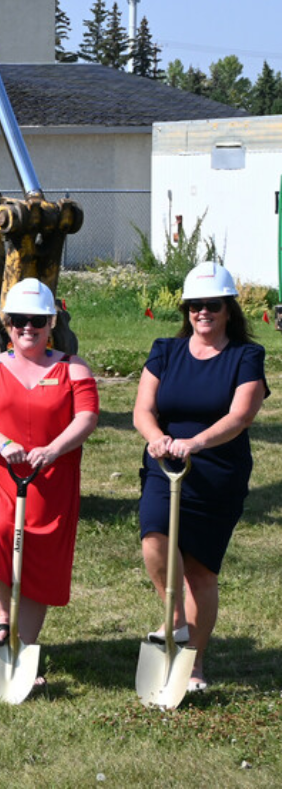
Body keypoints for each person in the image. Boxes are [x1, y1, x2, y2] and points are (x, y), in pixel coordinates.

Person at [133, 261, 268, 693]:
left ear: (228, 309)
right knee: (154, 536)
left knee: (199, 571)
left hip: (216, 471)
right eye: (194, 306)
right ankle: (174, 620)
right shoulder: (165, 350)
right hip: (165, 463)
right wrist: (156, 438)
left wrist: (197, 443)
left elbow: (241, 415)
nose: (202, 313)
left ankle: (194, 666)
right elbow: (143, 409)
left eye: (211, 305)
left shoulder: (246, 356)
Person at [0, 279, 99, 667]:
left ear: (51, 322)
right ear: (7, 324)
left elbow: (86, 416)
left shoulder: (73, 368)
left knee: (41, 555)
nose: (27, 327)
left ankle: (25, 647)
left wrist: (54, 450)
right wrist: (2, 443)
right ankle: (2, 616)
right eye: (19, 319)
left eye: (37, 319)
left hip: (52, 476)